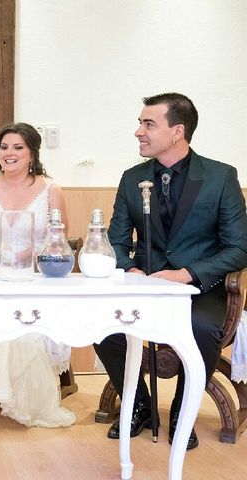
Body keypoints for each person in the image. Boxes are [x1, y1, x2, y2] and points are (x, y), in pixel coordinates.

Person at [94, 93, 247, 449]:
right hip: (143, 285)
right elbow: (116, 239)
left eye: (149, 124)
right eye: (140, 123)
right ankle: (140, 404)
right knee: (102, 328)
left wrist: (187, 274)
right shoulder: (132, 178)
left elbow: (239, 248)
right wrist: (129, 268)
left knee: (201, 327)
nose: (138, 132)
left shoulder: (221, 177)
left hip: (199, 289)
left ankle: (183, 407)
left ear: (177, 131)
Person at [0, 122, 75, 427]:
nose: (9, 153)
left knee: (17, 319)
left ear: (32, 153)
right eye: (4, 147)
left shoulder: (51, 190)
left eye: (18, 147)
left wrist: (26, 257)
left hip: (33, 274)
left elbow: (59, 238)